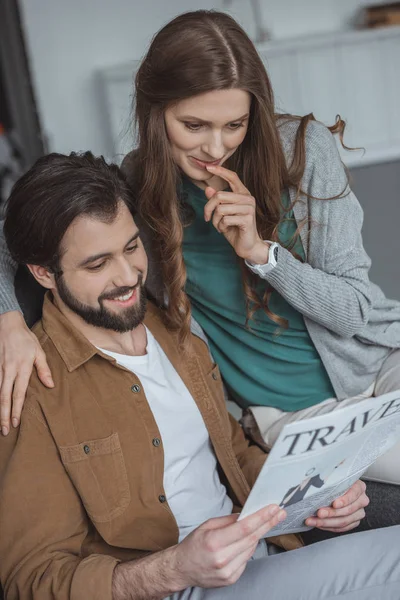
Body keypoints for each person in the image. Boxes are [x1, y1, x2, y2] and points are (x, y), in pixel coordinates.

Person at [1, 10, 400, 484]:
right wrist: (10, 323)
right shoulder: (136, 185)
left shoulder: (304, 152)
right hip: (291, 418)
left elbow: (355, 311)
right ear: (155, 114)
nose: (216, 147)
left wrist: (263, 255)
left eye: (235, 125)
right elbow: (19, 233)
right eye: (193, 126)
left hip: (381, 363)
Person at [1, 151, 400, 600]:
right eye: (97, 265)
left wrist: (314, 497)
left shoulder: (175, 331)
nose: (128, 275)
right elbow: (30, 578)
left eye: (132, 247)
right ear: (43, 273)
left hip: (266, 556)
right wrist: (172, 569)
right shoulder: (30, 389)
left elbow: (230, 454)